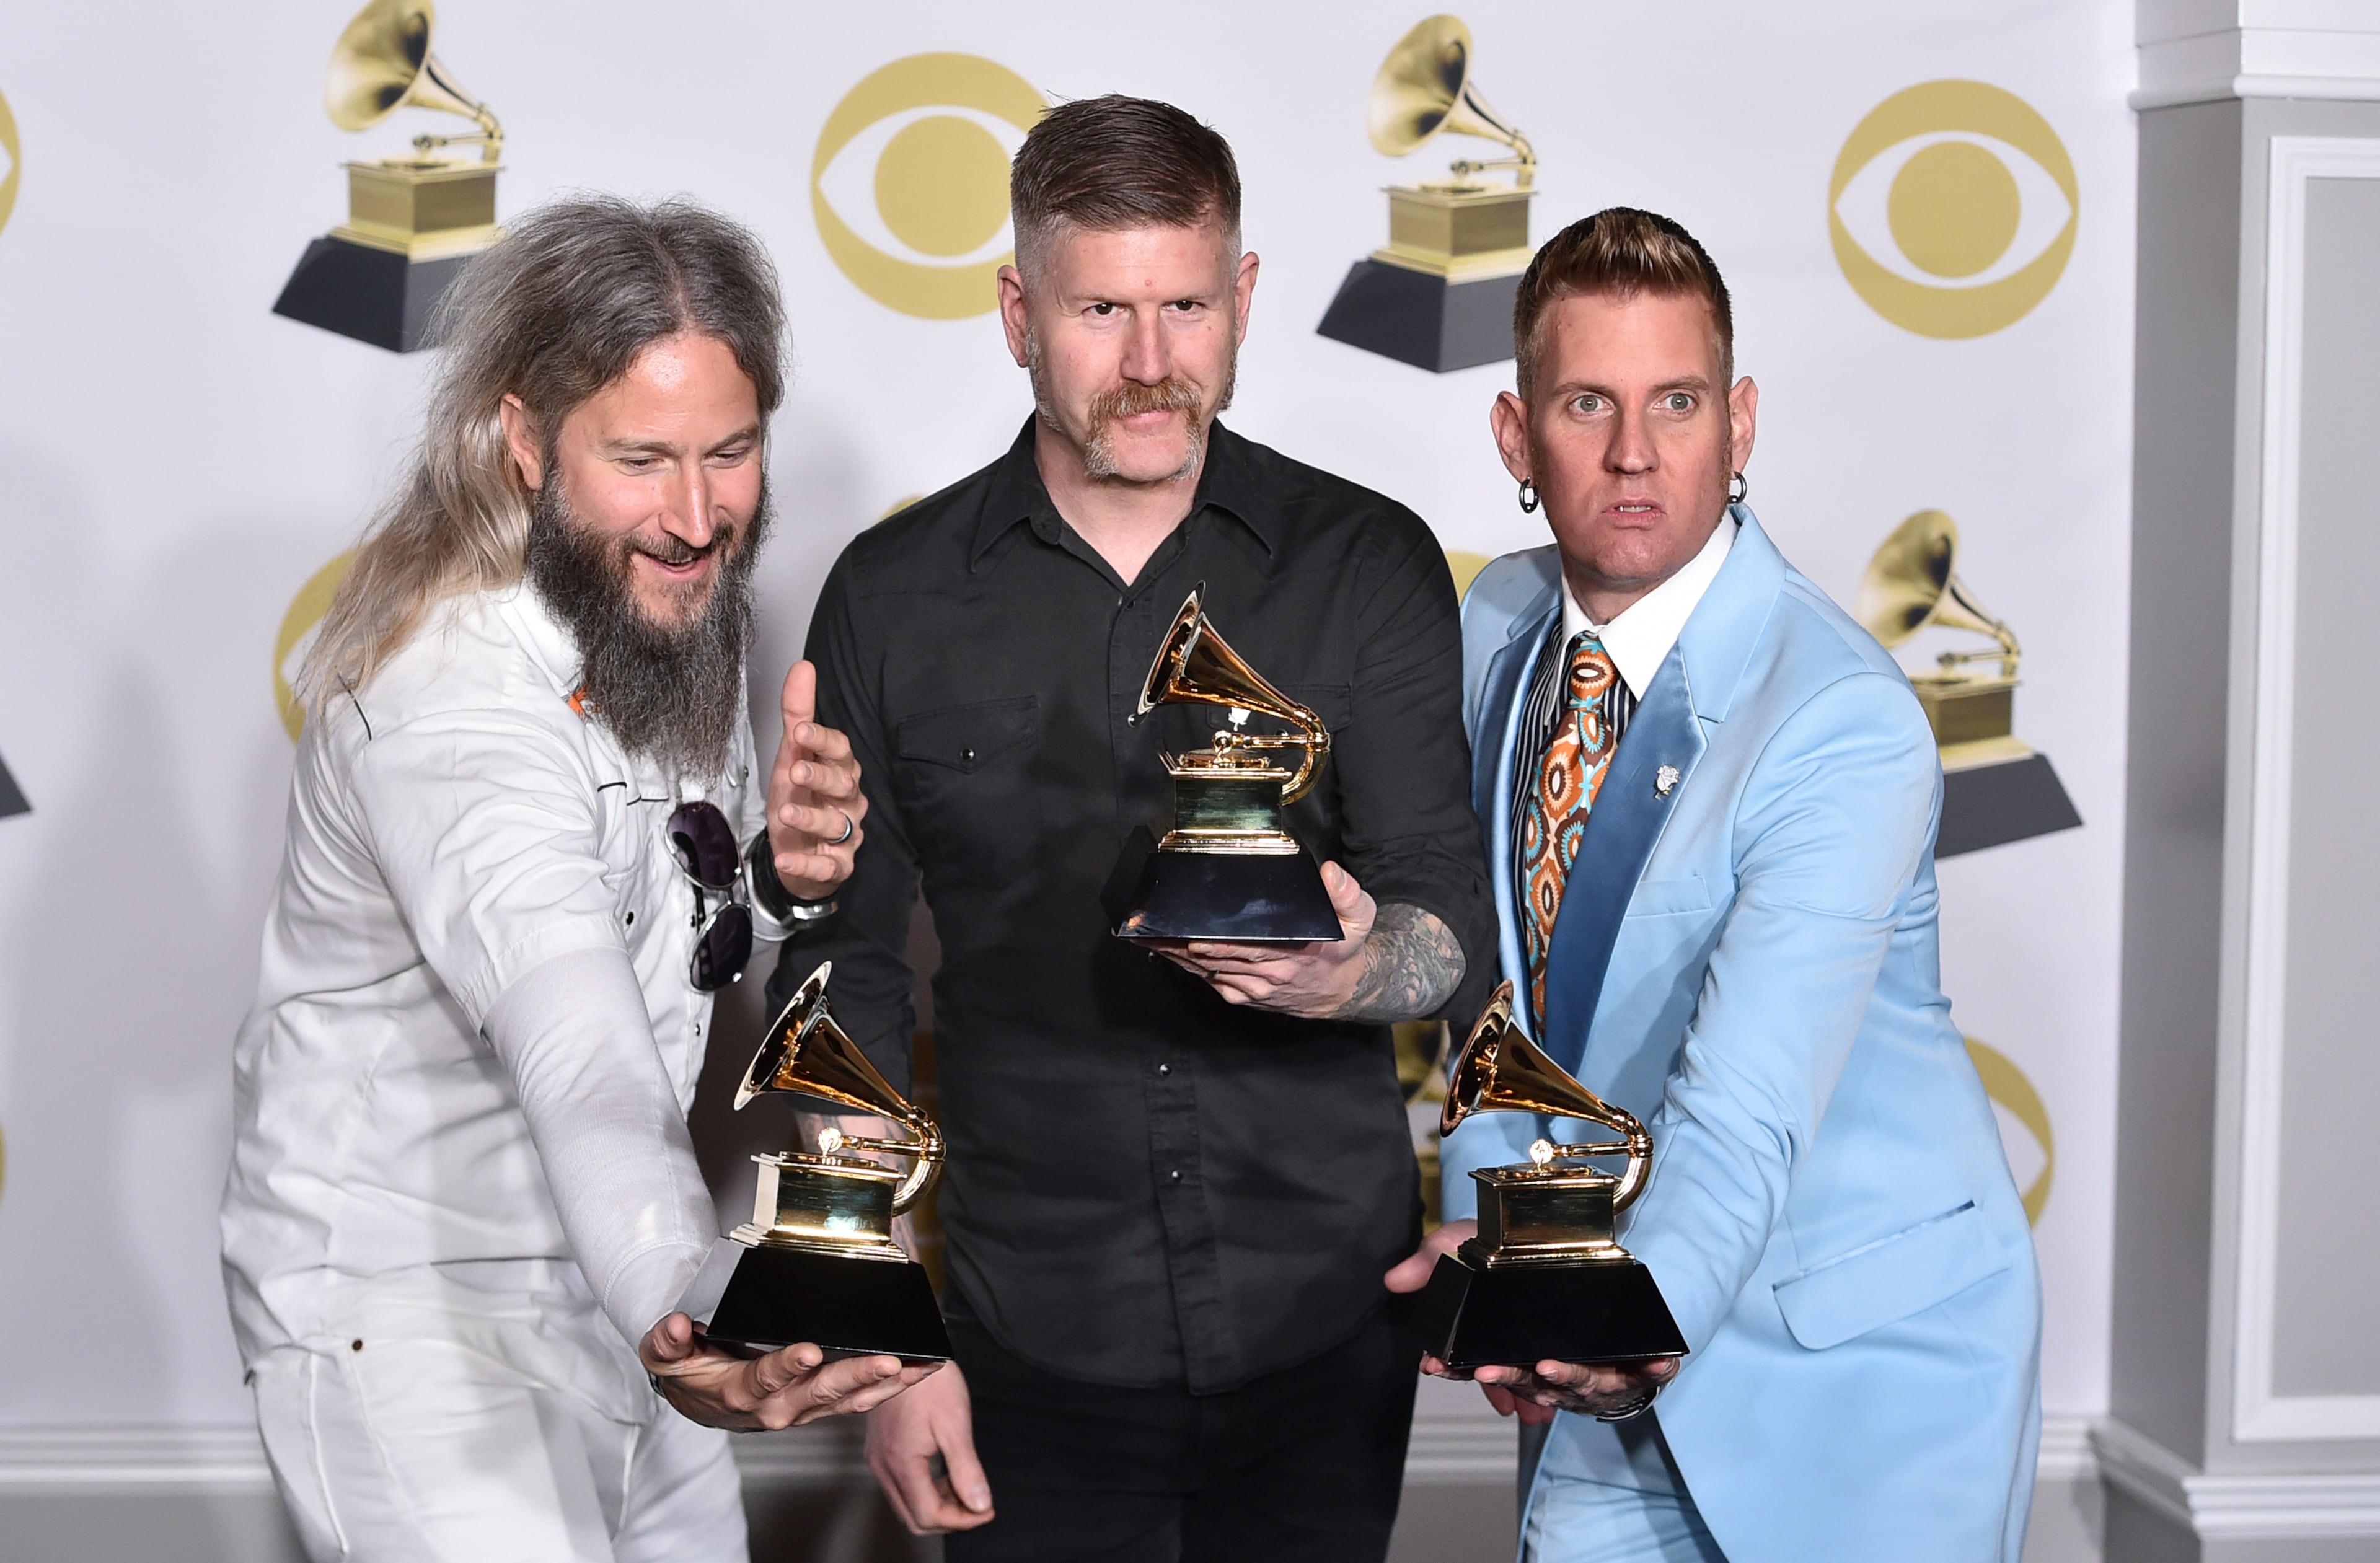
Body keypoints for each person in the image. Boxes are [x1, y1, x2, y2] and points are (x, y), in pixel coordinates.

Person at [769, 95, 1494, 1560]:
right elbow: (843, 967)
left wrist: (1352, 976)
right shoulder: (891, 595)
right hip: (1023, 1333)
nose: (1152, 362)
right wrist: (887, 1335)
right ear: (1017, 312)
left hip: (1324, 1327)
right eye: (1102, 307)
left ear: (1244, 301)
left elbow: (1443, 924)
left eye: (1185, 304)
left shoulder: (1370, 565)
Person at [221, 196, 933, 1563]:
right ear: (524, 439)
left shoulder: (662, 604)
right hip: (414, 1314)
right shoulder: (450, 713)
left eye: (731, 452)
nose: (695, 513)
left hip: (620, 1281)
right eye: (642, 459)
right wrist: (679, 1292)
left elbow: (652, 916)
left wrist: (774, 885)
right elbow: (578, 1040)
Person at [1386, 209, 2041, 1561]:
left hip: (1856, 1377)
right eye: (1588, 403)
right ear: (1518, 439)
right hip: (1602, 1344)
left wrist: (1625, 1313)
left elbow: (1743, 1109)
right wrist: (1516, 1247)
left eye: (1677, 402)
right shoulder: (1495, 623)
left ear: (1739, 424)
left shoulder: (1839, 719)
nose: (1636, 453)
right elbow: (1511, 992)